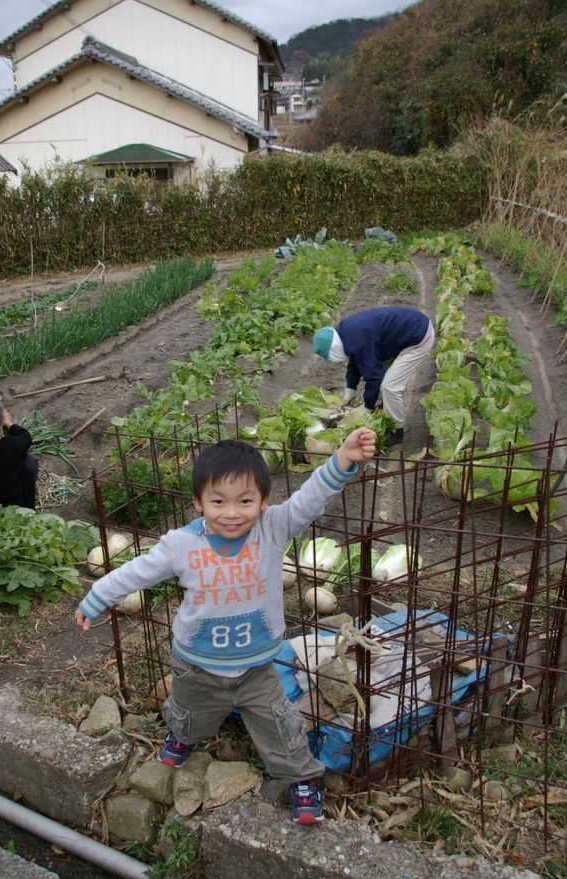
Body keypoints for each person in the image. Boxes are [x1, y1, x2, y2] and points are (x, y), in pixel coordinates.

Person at [75, 431, 376, 825]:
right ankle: (181, 736)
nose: (232, 513)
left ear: (264, 502)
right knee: (189, 714)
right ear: (199, 502)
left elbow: (310, 497)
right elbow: (138, 570)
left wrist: (342, 458)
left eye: (245, 501)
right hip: (196, 665)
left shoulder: (273, 528)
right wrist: (98, 595)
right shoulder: (181, 544)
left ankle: (301, 777)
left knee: (280, 725)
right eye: (218, 502)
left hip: (256, 669)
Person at [312, 306, 435, 447]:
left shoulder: (358, 341)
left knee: (390, 386)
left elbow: (375, 377)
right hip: (407, 329)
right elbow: (354, 360)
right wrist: (349, 391)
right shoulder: (345, 333)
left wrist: (367, 407)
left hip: (418, 336)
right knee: (383, 377)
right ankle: (385, 407)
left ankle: (396, 431)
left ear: (332, 348)